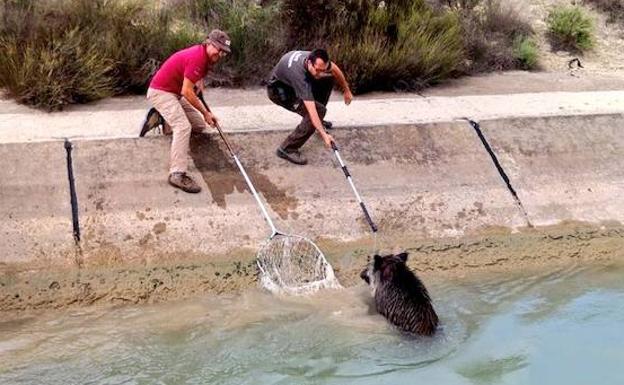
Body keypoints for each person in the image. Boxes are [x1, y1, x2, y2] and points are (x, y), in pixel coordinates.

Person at [145, 29, 231, 193]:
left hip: (175, 94)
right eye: (218, 49)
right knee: (183, 127)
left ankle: (164, 118)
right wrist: (206, 113)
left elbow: (193, 79)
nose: (220, 54)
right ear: (208, 42)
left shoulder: (205, 57)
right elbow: (187, 91)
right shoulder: (198, 57)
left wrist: (199, 81)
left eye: (224, 52)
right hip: (161, 93)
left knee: (198, 126)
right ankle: (177, 173)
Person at [267, 49, 353, 165]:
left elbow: (334, 69)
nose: (319, 73)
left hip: (289, 83)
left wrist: (346, 90)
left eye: (322, 70)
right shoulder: (299, 76)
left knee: (328, 78)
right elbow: (312, 111)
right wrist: (324, 135)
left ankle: (316, 122)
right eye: (317, 70)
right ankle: (287, 148)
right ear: (309, 63)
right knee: (317, 111)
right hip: (280, 92)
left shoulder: (315, 60)